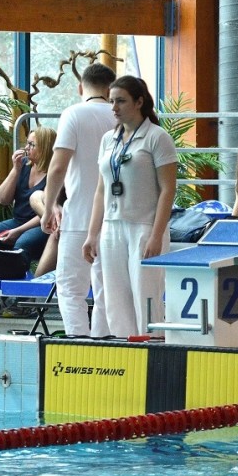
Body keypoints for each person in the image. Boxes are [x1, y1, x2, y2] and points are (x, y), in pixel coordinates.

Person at [82, 75, 177, 337]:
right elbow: (101, 190)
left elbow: (168, 190)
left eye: (120, 101)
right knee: (115, 299)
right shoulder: (108, 140)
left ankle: (151, 349)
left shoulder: (157, 137)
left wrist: (156, 235)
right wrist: (92, 234)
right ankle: (125, 349)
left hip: (144, 227)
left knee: (146, 297)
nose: (113, 107)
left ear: (139, 102)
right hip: (112, 228)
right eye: (111, 101)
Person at [42, 62, 116, 337]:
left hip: (80, 214)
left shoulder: (73, 113)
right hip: (114, 216)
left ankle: (77, 340)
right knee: (106, 288)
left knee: (71, 287)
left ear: (80, 88)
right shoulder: (120, 116)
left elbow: (57, 167)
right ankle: (102, 341)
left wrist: (49, 207)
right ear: (110, 89)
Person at [0, 126, 52, 261]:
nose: (26, 148)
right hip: (17, 221)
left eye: (31, 144)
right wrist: (16, 169)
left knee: (22, 244)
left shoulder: (54, 172)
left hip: (41, 224)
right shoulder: (24, 164)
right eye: (27, 143)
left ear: (45, 148)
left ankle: (17, 274)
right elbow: (3, 199)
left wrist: (19, 231)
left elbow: (47, 213)